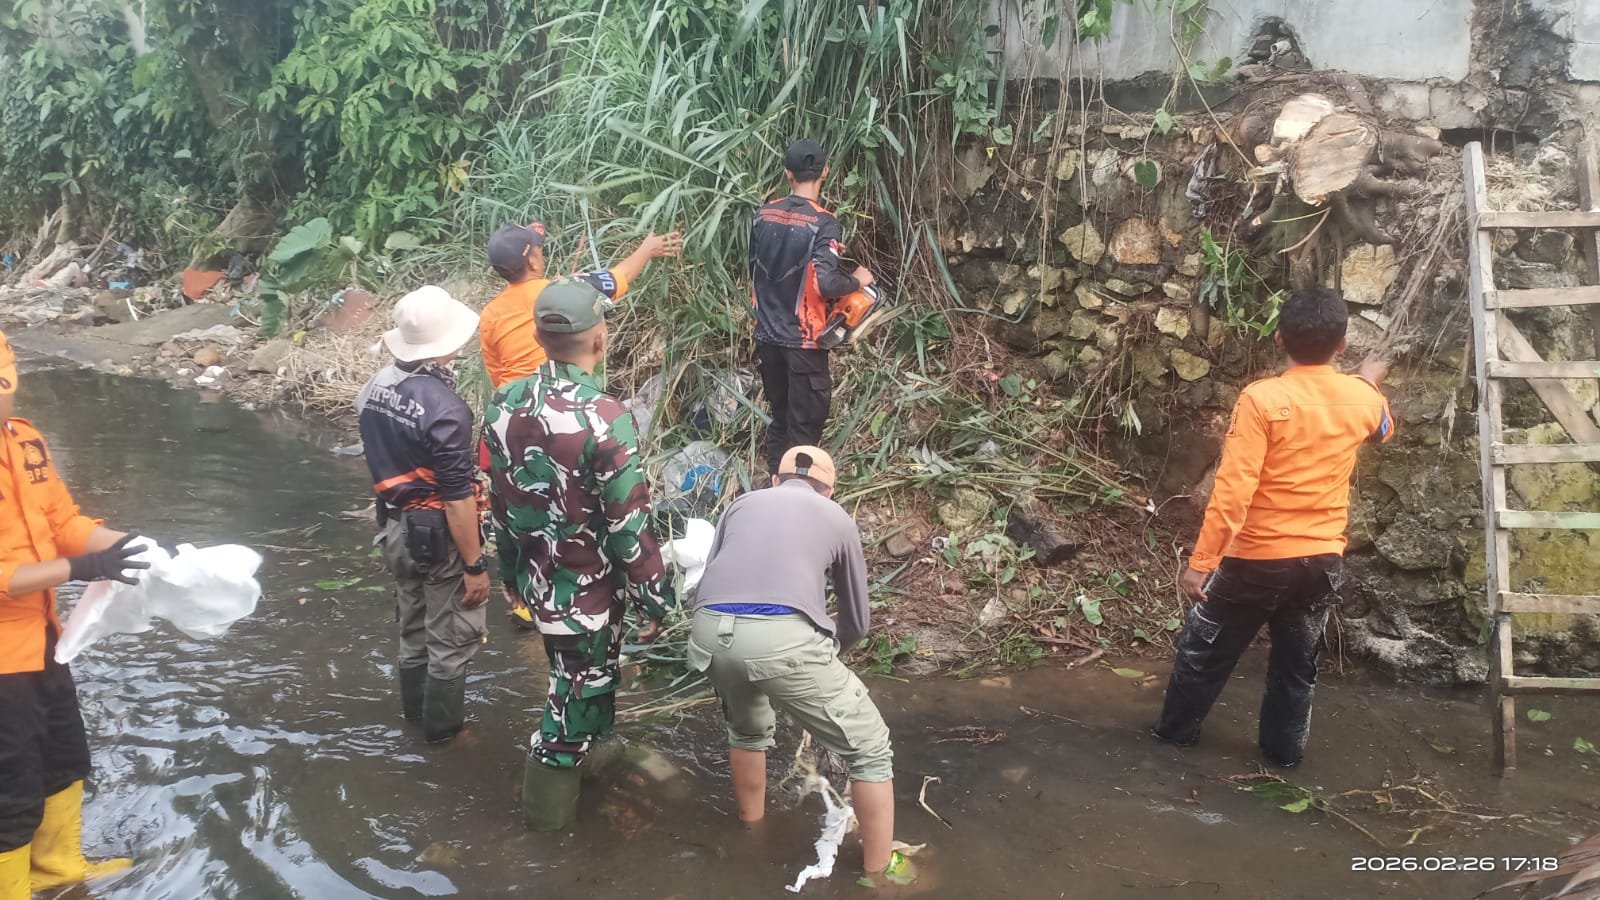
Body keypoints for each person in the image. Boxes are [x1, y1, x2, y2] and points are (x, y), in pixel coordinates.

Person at [1152, 286, 1393, 767]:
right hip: (1321, 562)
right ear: (1342, 346)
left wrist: (1201, 563)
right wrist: (1368, 383)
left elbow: (1233, 490)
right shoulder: (1363, 400)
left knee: (1203, 656)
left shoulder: (1261, 399)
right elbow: (1384, 430)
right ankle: (1282, 762)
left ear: (1279, 338)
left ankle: (1170, 747)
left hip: (1255, 561)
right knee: (1296, 668)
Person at [483, 277, 675, 831]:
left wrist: (510, 575)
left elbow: (500, 501)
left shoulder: (504, 402)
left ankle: (591, 768)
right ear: (600, 338)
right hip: (589, 592)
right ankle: (545, 835)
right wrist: (654, 598)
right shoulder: (604, 415)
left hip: (539, 581)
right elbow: (628, 522)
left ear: (540, 338)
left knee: (582, 679)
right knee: (566, 708)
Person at [688, 445, 911, 885]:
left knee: (747, 731)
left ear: (775, 480)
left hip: (709, 631)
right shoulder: (836, 517)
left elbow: (706, 583)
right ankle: (880, 876)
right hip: (781, 639)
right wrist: (826, 658)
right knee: (870, 750)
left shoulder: (740, 505)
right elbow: (856, 621)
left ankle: (751, 832)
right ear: (830, 490)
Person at [0, 327, 146, 897]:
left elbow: (64, 524)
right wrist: (83, 570)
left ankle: (59, 876)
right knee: (9, 787)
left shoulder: (25, 441)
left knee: (64, 756)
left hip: (43, 638)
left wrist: (128, 548)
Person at [355, 286, 490, 744]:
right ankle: (445, 737)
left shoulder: (375, 387)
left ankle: (414, 719)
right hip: (438, 537)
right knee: (450, 638)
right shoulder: (448, 409)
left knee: (411, 629)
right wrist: (475, 567)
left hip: (394, 528)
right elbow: (457, 498)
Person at [749, 139, 876, 477]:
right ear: (826, 172)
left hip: (767, 337)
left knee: (781, 419)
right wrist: (857, 280)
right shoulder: (823, 223)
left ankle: (774, 489)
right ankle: (797, 500)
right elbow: (825, 283)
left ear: (787, 174)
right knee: (804, 433)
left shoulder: (763, 215)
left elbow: (755, 272)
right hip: (804, 343)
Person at [479, 221, 683, 389]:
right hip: (559, 396)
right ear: (532, 261)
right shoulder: (565, 292)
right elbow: (622, 276)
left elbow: (496, 375)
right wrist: (647, 250)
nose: (542, 252)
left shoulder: (490, 314)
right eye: (539, 248)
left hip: (510, 405)